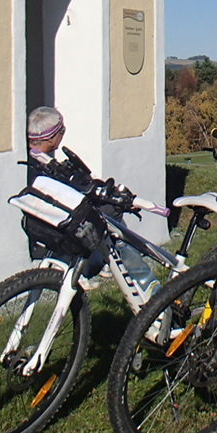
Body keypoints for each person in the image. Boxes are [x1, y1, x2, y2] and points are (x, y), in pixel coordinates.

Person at [24, 106, 158, 299]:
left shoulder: (34, 160)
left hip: (48, 213)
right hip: (65, 215)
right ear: (53, 137)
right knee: (112, 210)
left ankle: (103, 260)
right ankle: (108, 261)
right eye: (62, 131)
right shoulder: (45, 165)